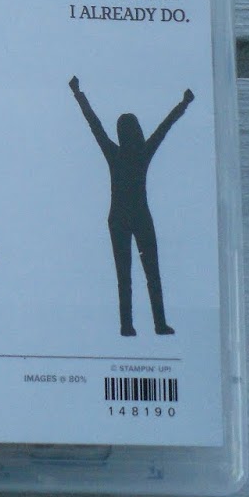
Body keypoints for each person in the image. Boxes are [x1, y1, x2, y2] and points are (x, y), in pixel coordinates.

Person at [69, 77, 193, 336]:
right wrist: (183, 104)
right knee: (152, 273)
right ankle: (158, 324)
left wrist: (78, 93)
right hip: (140, 216)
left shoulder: (114, 153)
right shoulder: (142, 152)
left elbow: (94, 123)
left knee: (123, 276)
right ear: (137, 131)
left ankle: (127, 326)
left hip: (118, 218)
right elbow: (165, 126)